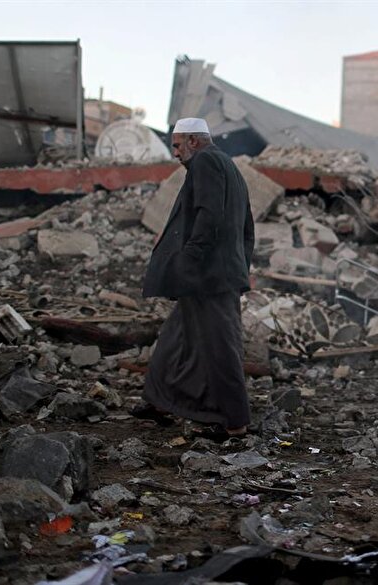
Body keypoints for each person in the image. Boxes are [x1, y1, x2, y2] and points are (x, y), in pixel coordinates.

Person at [137, 117, 255, 440]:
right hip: (215, 273)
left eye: (177, 145)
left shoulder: (206, 162)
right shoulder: (227, 166)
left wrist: (189, 259)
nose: (174, 153)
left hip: (210, 276)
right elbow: (247, 226)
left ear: (193, 140)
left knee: (221, 347)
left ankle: (235, 423)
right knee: (175, 336)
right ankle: (157, 401)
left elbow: (209, 215)